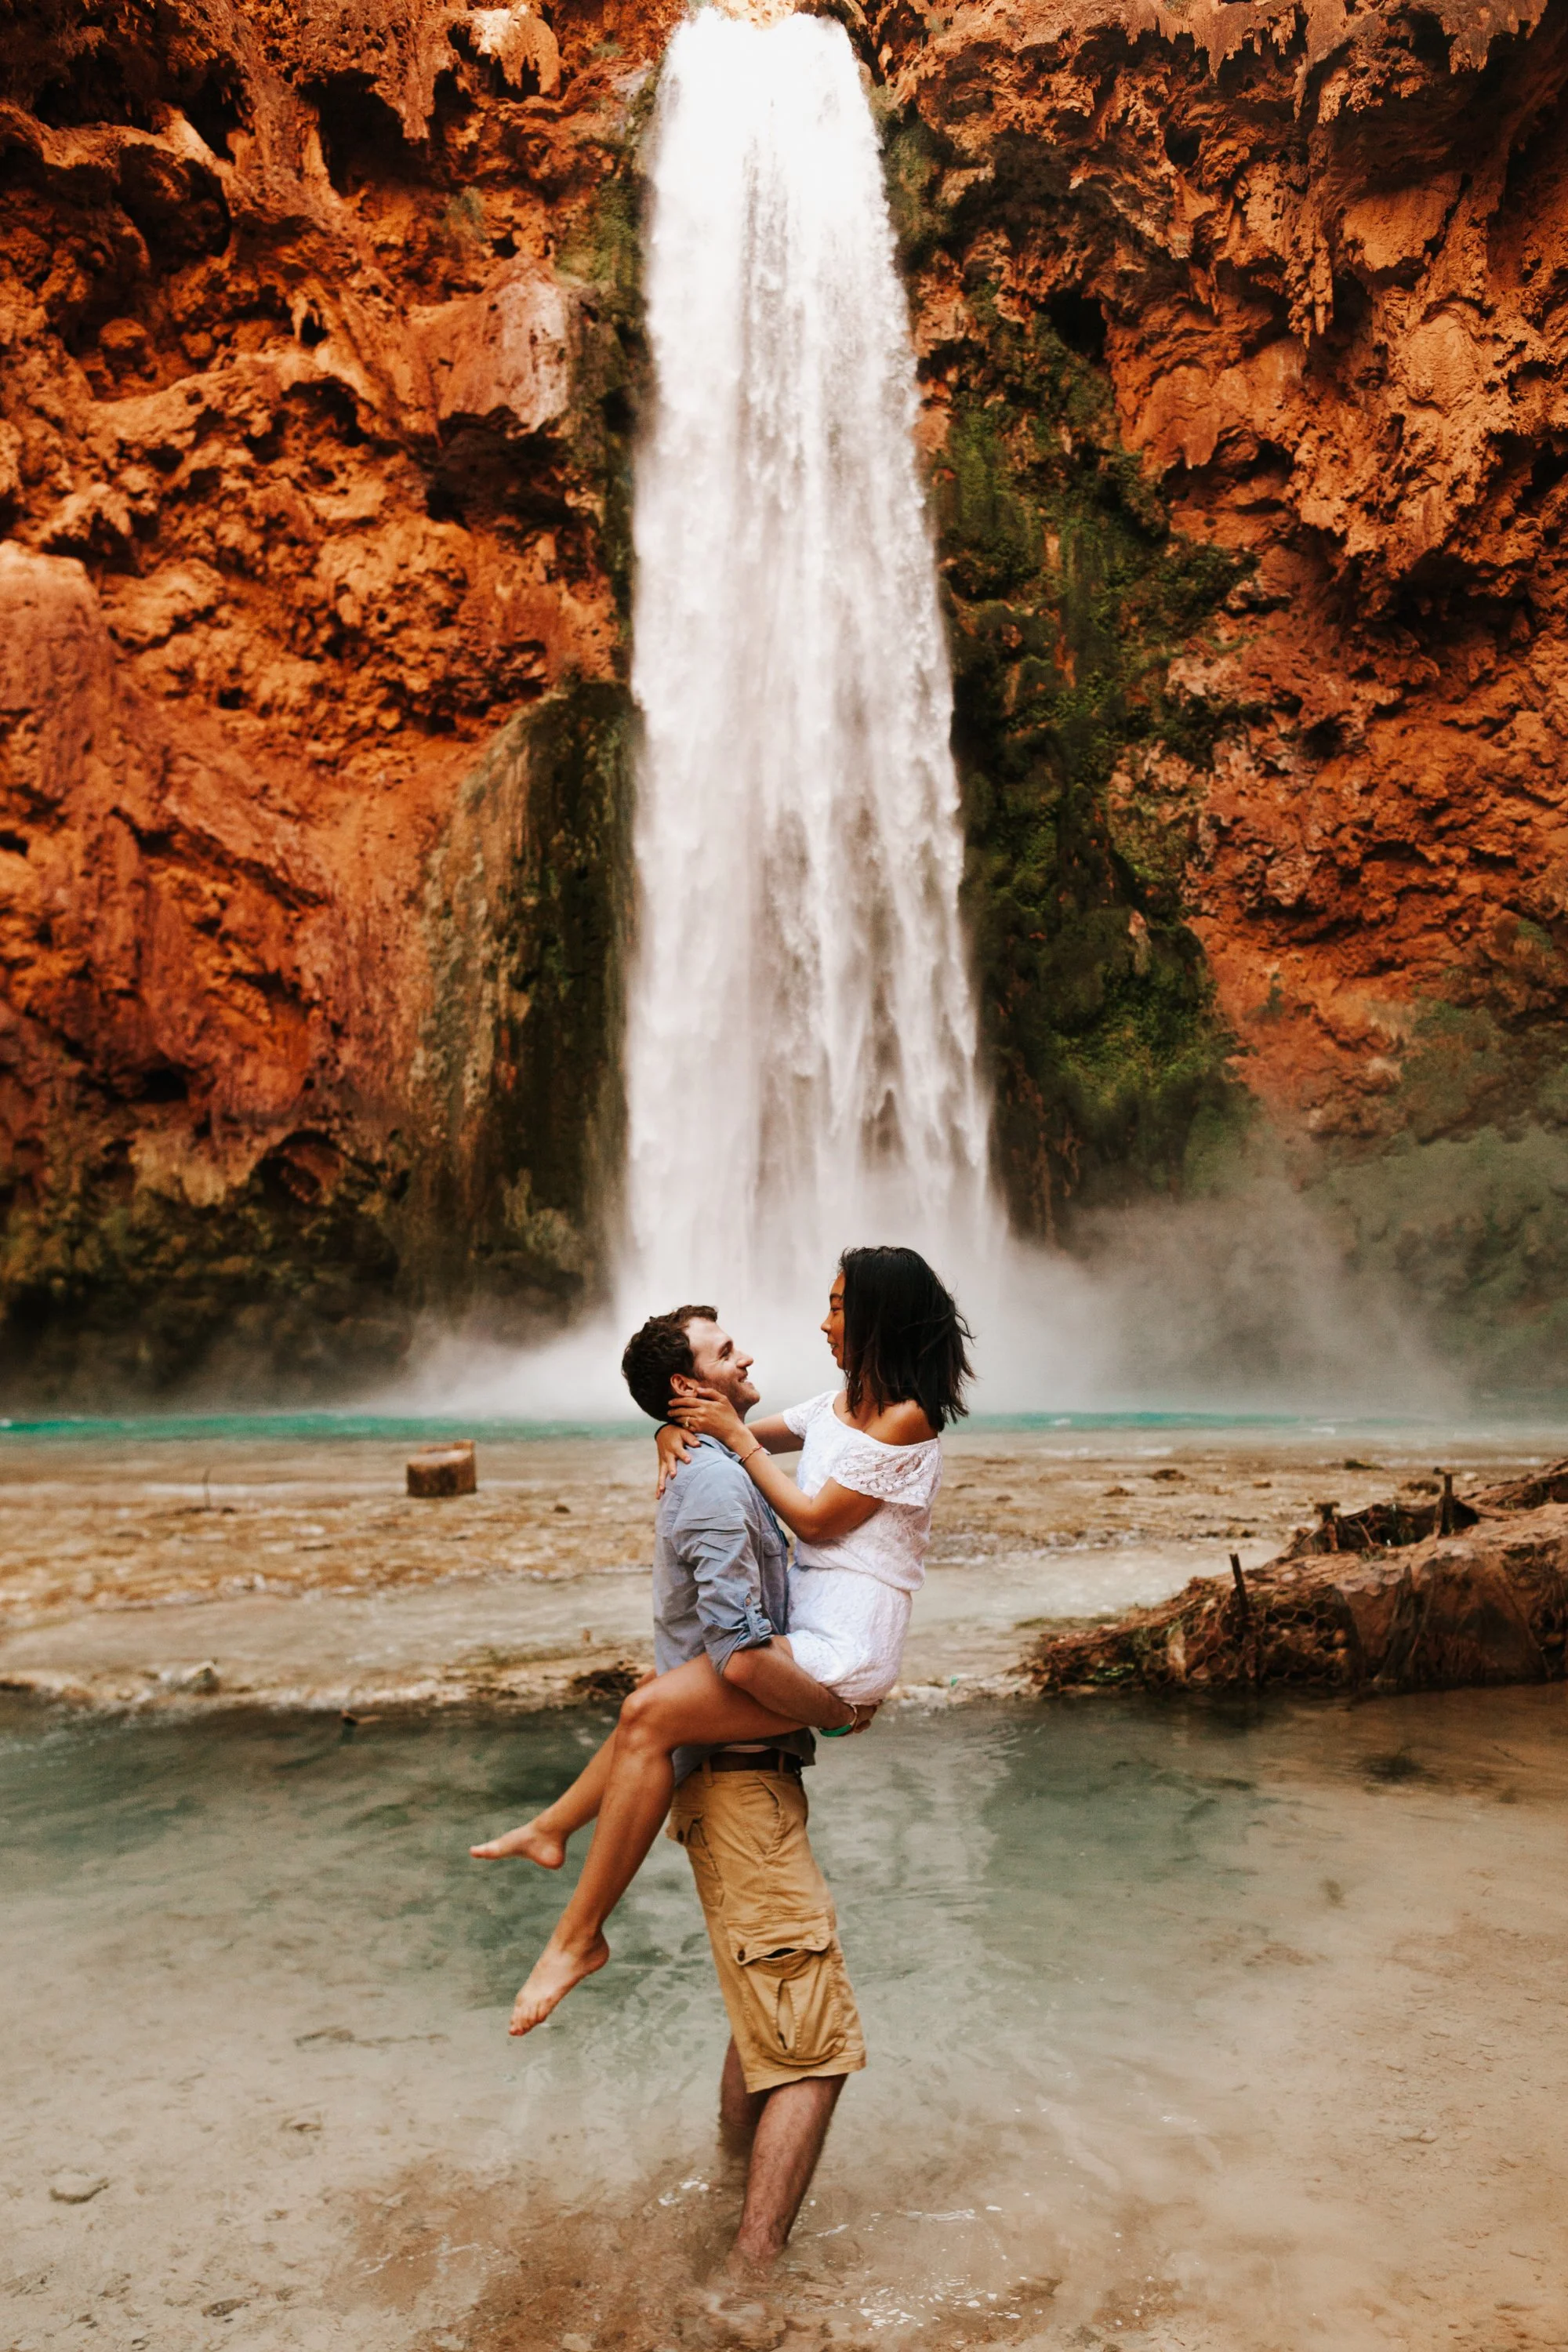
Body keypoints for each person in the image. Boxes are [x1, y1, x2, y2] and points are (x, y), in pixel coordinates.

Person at [478, 1247, 971, 2042]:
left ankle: (576, 1937)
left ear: (877, 1317)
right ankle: (554, 1831)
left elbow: (809, 1516)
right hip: (803, 1623)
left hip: (844, 1644)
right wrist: (667, 1437)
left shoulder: (905, 1417)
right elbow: (709, 1425)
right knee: (656, 1686)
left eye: (839, 1306)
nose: (823, 1321)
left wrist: (730, 1435)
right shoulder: (841, 1404)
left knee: (649, 1715)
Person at [473, 1301, 869, 2271]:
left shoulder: (717, 1464)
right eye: (723, 1351)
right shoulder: (716, 1490)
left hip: (732, 1778)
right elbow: (737, 1660)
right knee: (812, 2047)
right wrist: (837, 1709)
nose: (747, 1354)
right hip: (738, 1783)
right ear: (689, 1387)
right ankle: (747, 2270)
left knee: (760, 2015)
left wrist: (677, 1428)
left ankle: (728, 2193)